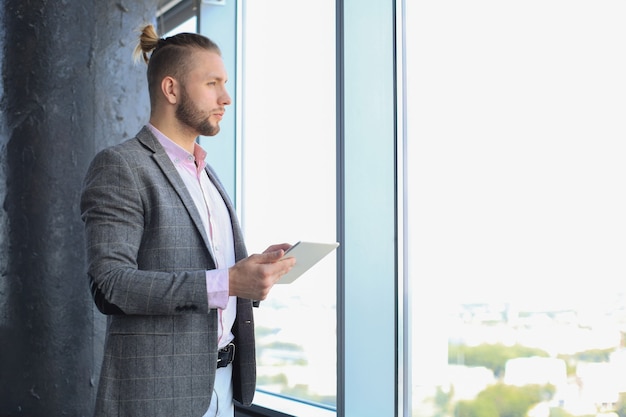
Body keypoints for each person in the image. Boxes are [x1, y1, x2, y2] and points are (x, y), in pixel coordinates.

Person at [80, 24, 295, 417]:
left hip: (224, 386)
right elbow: (110, 286)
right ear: (172, 89)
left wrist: (252, 274)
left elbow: (206, 277)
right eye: (212, 83)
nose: (226, 98)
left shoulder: (207, 175)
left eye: (225, 83)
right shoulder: (121, 166)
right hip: (158, 396)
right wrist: (228, 281)